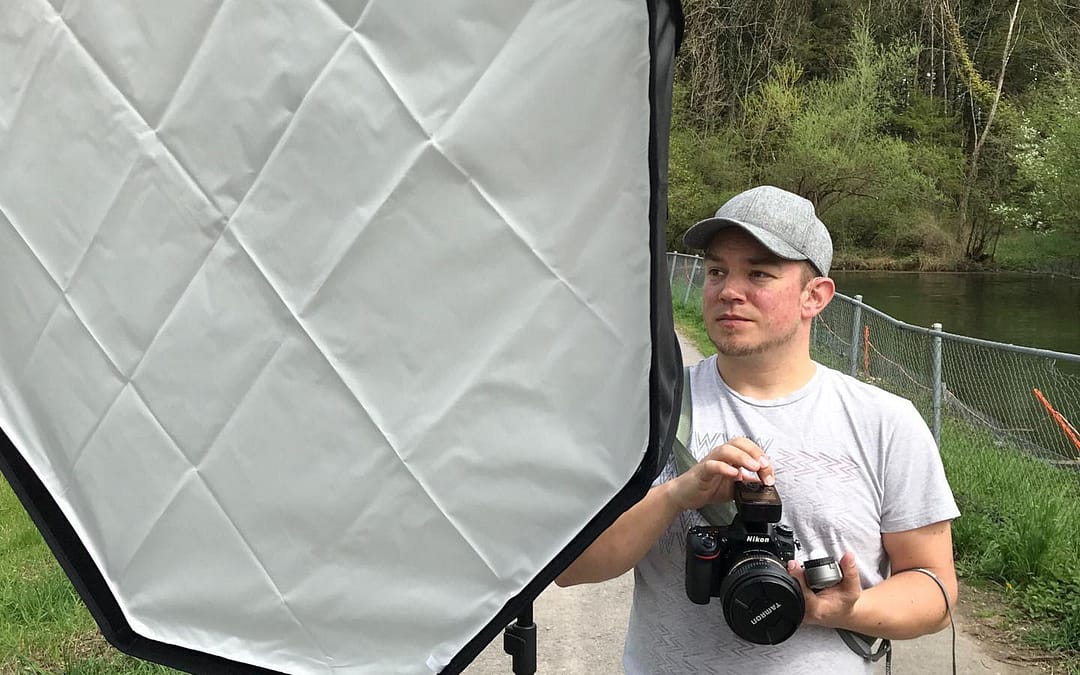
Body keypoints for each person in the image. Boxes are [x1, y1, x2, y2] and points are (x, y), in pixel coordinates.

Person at [556, 185, 960, 673]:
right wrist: (675, 496)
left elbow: (935, 589)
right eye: (716, 271)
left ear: (815, 296)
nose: (729, 290)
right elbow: (573, 568)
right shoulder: (649, 411)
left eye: (759, 273)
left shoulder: (885, 423)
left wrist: (844, 610)